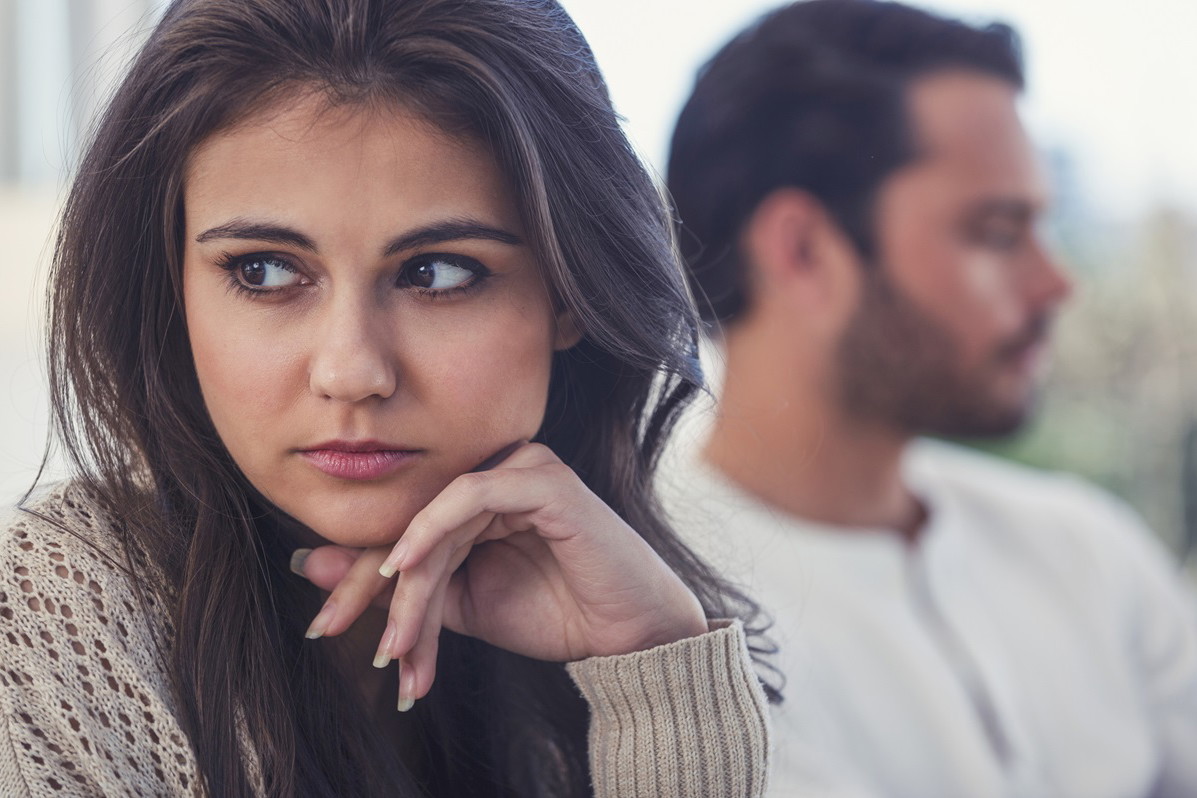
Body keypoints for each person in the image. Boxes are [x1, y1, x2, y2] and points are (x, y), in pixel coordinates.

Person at [0, 0, 775, 795]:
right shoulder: (45, 633)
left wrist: (655, 688)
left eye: (436, 273)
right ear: (172, 293)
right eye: (263, 270)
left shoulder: (625, 626)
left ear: (569, 294)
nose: (352, 371)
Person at [661, 1, 1197, 796]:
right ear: (802, 250)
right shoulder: (660, 630)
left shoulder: (1088, 552)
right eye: (994, 231)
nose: (1056, 283)